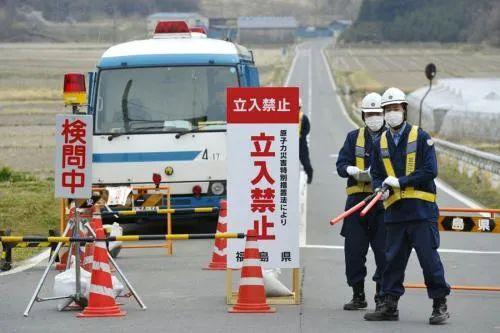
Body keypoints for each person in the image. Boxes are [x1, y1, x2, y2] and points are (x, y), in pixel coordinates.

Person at [364, 87, 450, 325]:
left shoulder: (421, 137)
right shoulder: (381, 141)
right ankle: (389, 306)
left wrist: (401, 181)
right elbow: (378, 174)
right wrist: (379, 189)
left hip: (421, 212)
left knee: (429, 261)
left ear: (404, 110)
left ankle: (439, 305)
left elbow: (430, 171)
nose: (392, 113)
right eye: (388, 109)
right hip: (395, 213)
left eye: (395, 109)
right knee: (392, 261)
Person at [336, 92, 386, 311]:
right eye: (370, 113)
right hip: (357, 202)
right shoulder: (353, 137)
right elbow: (341, 164)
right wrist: (351, 170)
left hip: (383, 203)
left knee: (385, 252)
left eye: (378, 113)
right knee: (353, 251)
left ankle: (381, 296)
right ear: (363, 115)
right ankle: (358, 294)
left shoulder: (393, 139)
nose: (374, 117)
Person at [299, 98, 313, 184]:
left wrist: (301, 135)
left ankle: (309, 173)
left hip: (301, 143)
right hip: (290, 142)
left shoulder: (303, 117)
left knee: (305, 161)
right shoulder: (287, 116)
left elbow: (307, 129)